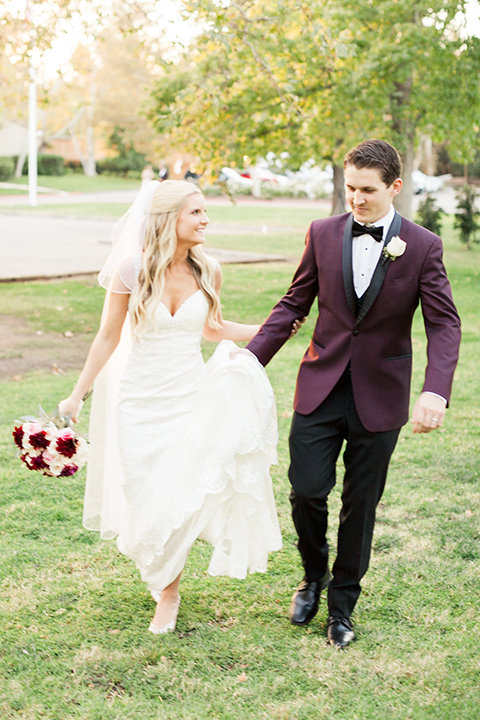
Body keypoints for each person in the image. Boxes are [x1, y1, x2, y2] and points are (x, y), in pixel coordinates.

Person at [245, 139, 461, 648]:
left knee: (360, 505)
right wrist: (249, 361)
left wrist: (436, 391)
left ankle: (342, 606)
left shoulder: (424, 245)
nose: (356, 200)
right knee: (307, 490)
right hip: (319, 387)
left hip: (381, 398)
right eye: (350, 189)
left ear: (394, 188)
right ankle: (313, 575)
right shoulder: (322, 233)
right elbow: (293, 303)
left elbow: (445, 325)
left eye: (367, 190)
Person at [58, 180, 289, 634]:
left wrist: (270, 329)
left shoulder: (209, 270)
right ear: (169, 220)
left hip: (191, 395)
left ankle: (168, 594)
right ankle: (163, 574)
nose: (206, 220)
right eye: (197, 213)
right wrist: (77, 393)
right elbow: (107, 336)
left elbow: (213, 328)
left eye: (205, 213)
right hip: (140, 401)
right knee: (147, 493)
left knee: (180, 494)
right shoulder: (132, 271)